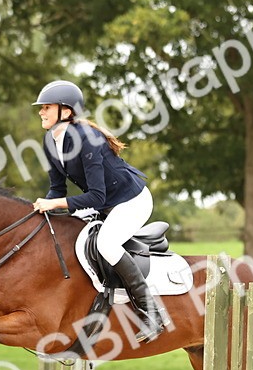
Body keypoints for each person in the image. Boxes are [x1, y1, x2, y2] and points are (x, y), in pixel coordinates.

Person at [29, 80, 164, 344]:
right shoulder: (49, 140)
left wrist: (54, 205)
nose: (41, 112)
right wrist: (37, 213)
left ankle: (152, 314)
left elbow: (96, 196)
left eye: (46, 107)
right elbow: (56, 189)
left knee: (106, 245)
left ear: (65, 112)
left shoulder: (88, 140)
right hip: (104, 205)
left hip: (131, 201)